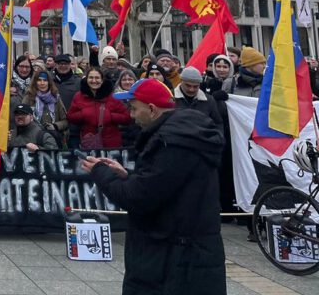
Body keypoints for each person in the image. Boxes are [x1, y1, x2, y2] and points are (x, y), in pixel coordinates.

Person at [82, 79, 225, 295]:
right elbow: (163, 185)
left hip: (171, 258)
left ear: (151, 109)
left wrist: (100, 173)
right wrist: (127, 175)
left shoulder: (172, 142)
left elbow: (138, 197)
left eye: (134, 108)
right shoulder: (183, 134)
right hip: (182, 251)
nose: (130, 115)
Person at [66, 68, 131, 149]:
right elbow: (70, 116)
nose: (94, 81)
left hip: (112, 144)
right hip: (89, 143)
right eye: (91, 77)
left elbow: (127, 118)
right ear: (86, 79)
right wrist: (83, 114)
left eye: (97, 78)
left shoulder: (111, 97)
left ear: (102, 80)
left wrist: (111, 116)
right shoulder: (79, 96)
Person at [22, 71, 68, 146]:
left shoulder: (56, 98)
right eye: (39, 80)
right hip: (33, 139)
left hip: (53, 140)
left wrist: (55, 126)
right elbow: (21, 117)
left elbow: (65, 121)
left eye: (45, 80)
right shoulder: (29, 97)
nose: (42, 83)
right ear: (35, 82)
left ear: (49, 82)